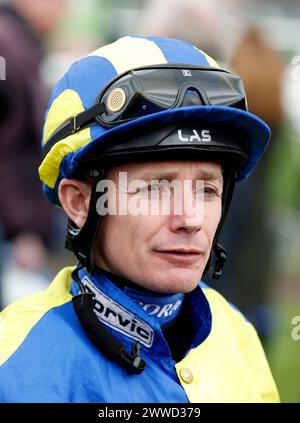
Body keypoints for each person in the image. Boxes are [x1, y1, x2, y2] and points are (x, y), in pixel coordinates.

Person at [0, 35, 280, 403]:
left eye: (207, 189)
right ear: (80, 203)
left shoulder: (235, 331)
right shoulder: (13, 364)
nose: (191, 219)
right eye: (155, 188)